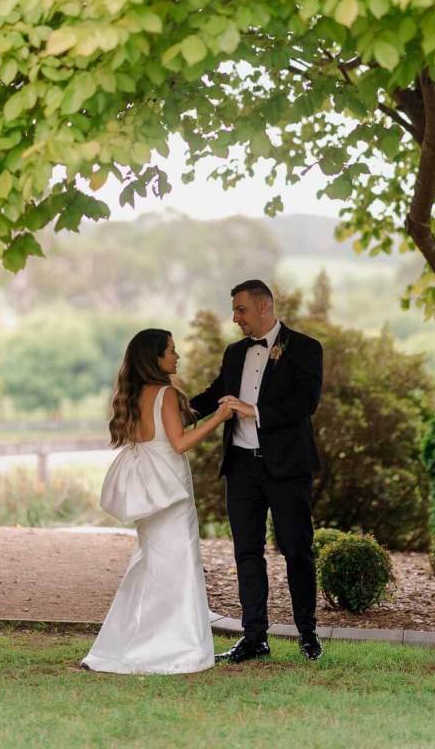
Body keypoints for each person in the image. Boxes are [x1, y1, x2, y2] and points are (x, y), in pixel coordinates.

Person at [81, 328, 233, 675]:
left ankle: (133, 641)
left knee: (151, 561)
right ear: (155, 358)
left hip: (147, 483)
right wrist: (219, 417)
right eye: (171, 351)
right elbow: (179, 443)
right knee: (179, 563)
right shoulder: (166, 393)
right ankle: (175, 647)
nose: (177, 357)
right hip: (169, 483)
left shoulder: (131, 394)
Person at [191, 280, 324, 663]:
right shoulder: (235, 352)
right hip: (241, 467)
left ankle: (308, 633)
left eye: (241, 309)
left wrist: (255, 411)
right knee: (246, 552)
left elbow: (306, 403)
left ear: (264, 306)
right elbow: (215, 393)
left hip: (288, 468)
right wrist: (172, 411)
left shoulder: (306, 348)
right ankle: (254, 637)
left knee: (297, 550)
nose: (235, 318)